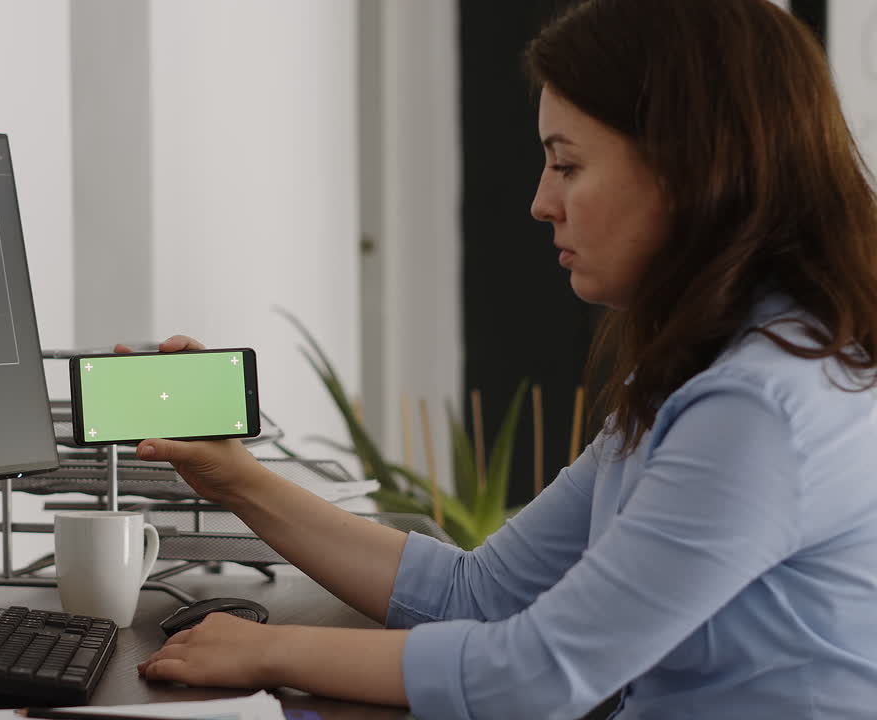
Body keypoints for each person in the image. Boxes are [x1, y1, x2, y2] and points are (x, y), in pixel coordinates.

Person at [130, 0, 877, 717]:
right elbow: (478, 593)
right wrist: (235, 479)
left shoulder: (760, 407)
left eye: (568, 165)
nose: (540, 202)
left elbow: (539, 676)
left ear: (691, 169)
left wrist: (270, 651)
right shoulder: (699, 370)